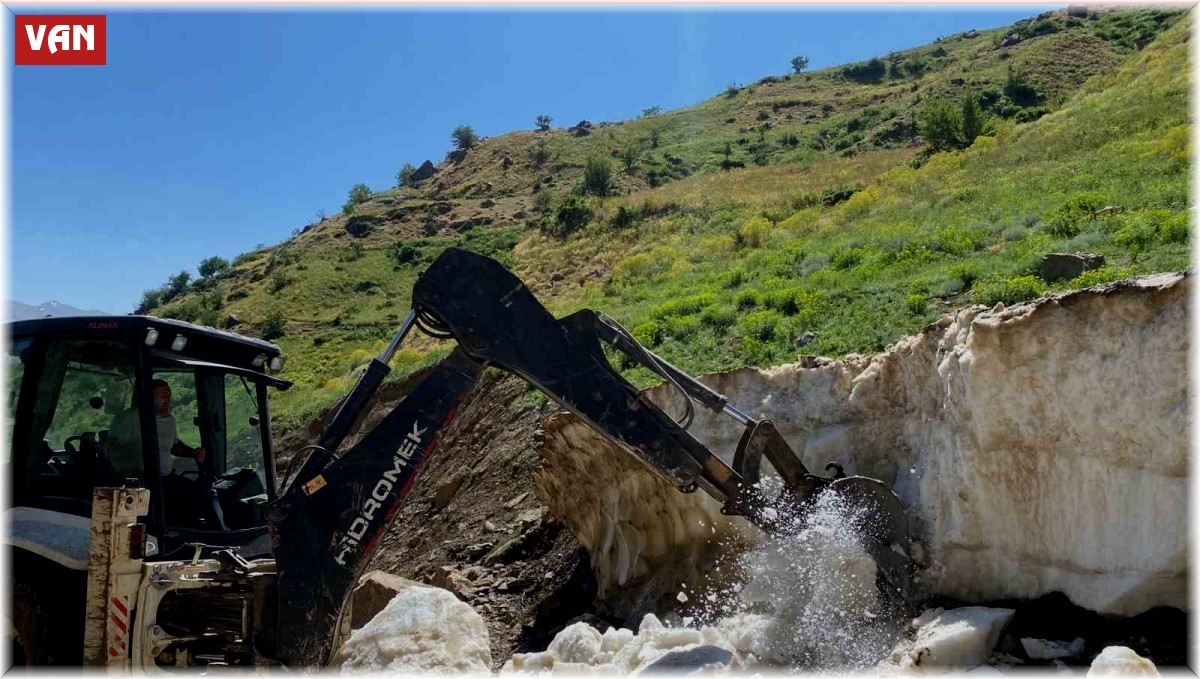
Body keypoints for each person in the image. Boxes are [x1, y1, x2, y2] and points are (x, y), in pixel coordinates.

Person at [151, 379, 206, 476]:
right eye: (164, 396)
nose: (168, 400)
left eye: (169, 397)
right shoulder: (131, 419)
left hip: (166, 477)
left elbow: (173, 446)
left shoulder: (169, 420)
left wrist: (193, 453)